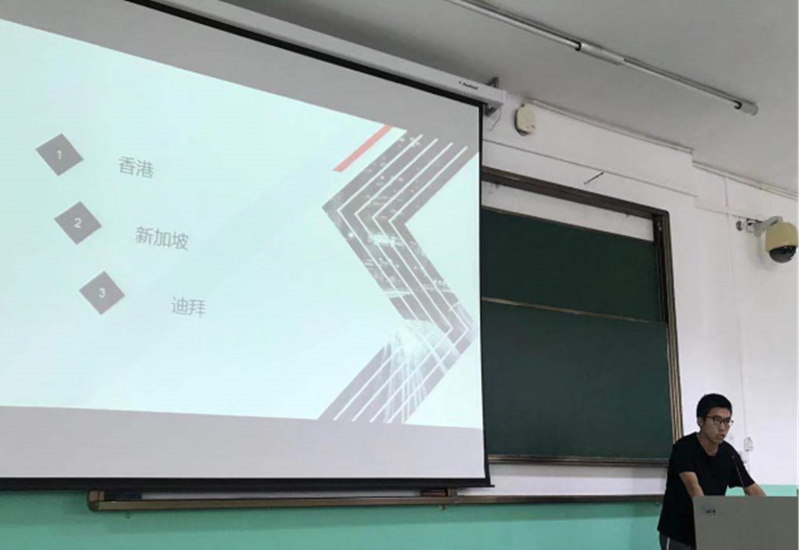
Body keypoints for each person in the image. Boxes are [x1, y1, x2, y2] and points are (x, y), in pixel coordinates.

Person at [658, 394, 767, 549]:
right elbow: (694, 490)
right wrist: (716, 523)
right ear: (700, 421)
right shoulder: (683, 448)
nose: (722, 427)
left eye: (727, 421)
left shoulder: (729, 454)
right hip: (678, 534)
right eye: (716, 420)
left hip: (709, 530)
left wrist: (770, 516)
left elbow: (752, 488)